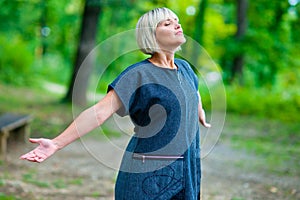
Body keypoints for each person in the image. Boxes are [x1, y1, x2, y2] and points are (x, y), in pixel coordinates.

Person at [20, 7, 211, 200]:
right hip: (147, 175)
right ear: (151, 35)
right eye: (167, 23)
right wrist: (55, 143)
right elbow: (100, 111)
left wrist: (198, 111)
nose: (177, 25)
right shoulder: (137, 75)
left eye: (176, 20)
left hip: (187, 170)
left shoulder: (185, 69)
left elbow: (192, 92)